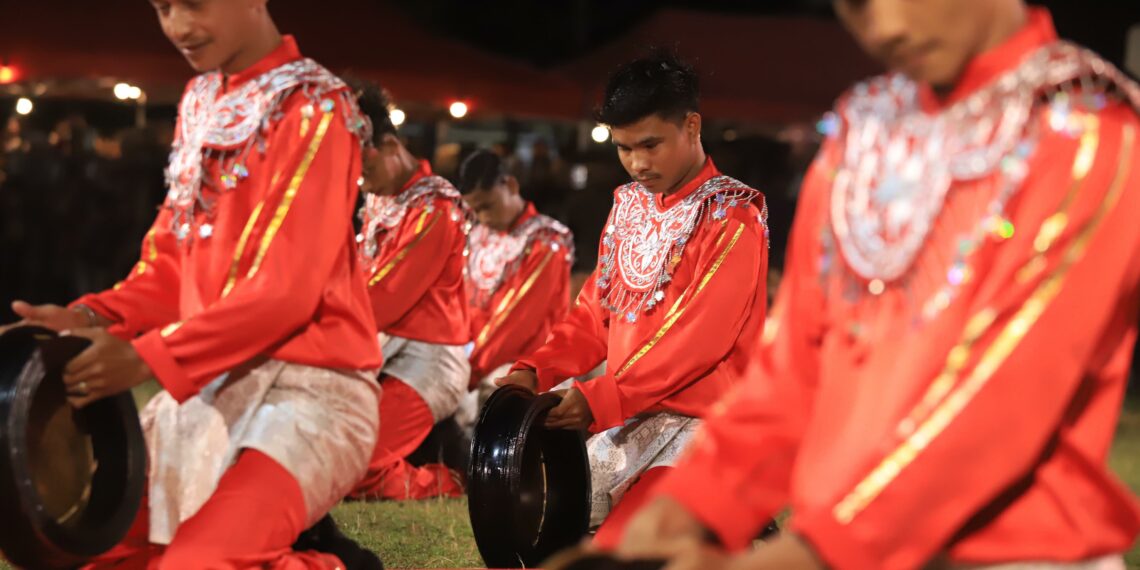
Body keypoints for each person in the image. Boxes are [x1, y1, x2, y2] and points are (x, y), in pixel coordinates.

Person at [616, 1, 1140, 569]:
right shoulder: (861, 136)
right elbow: (792, 370)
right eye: (856, 4)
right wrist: (689, 507)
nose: (886, 26)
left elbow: (999, 402)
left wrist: (812, 553)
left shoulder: (1086, 133)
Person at [3, 0, 384, 567]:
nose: (178, 27)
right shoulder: (201, 100)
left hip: (312, 387)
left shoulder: (316, 107)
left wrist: (148, 359)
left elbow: (287, 291)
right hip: (208, 380)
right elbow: (171, 262)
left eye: (195, 5)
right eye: (162, 8)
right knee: (88, 549)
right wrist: (90, 318)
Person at [497, 50, 770, 548]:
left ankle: (740, 527)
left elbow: (699, 338)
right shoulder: (628, 206)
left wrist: (602, 397)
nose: (638, 163)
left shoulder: (733, 216)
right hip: (631, 419)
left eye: (650, 144)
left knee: (621, 551)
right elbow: (593, 314)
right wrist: (535, 369)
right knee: (537, 533)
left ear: (692, 126)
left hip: (708, 425)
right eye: (624, 149)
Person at [348, 80, 470, 501]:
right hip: (379, 348)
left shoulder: (435, 207)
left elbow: (385, 297)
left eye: (365, 170)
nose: (361, 184)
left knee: (353, 468)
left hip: (427, 360)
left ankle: (455, 483)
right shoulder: (383, 198)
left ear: (387, 145)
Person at [456, 149, 574, 424]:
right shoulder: (476, 233)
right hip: (472, 356)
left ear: (510, 185)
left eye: (487, 205)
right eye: (474, 210)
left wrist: (468, 371)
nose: (482, 217)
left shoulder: (545, 240)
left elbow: (518, 321)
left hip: (524, 362)